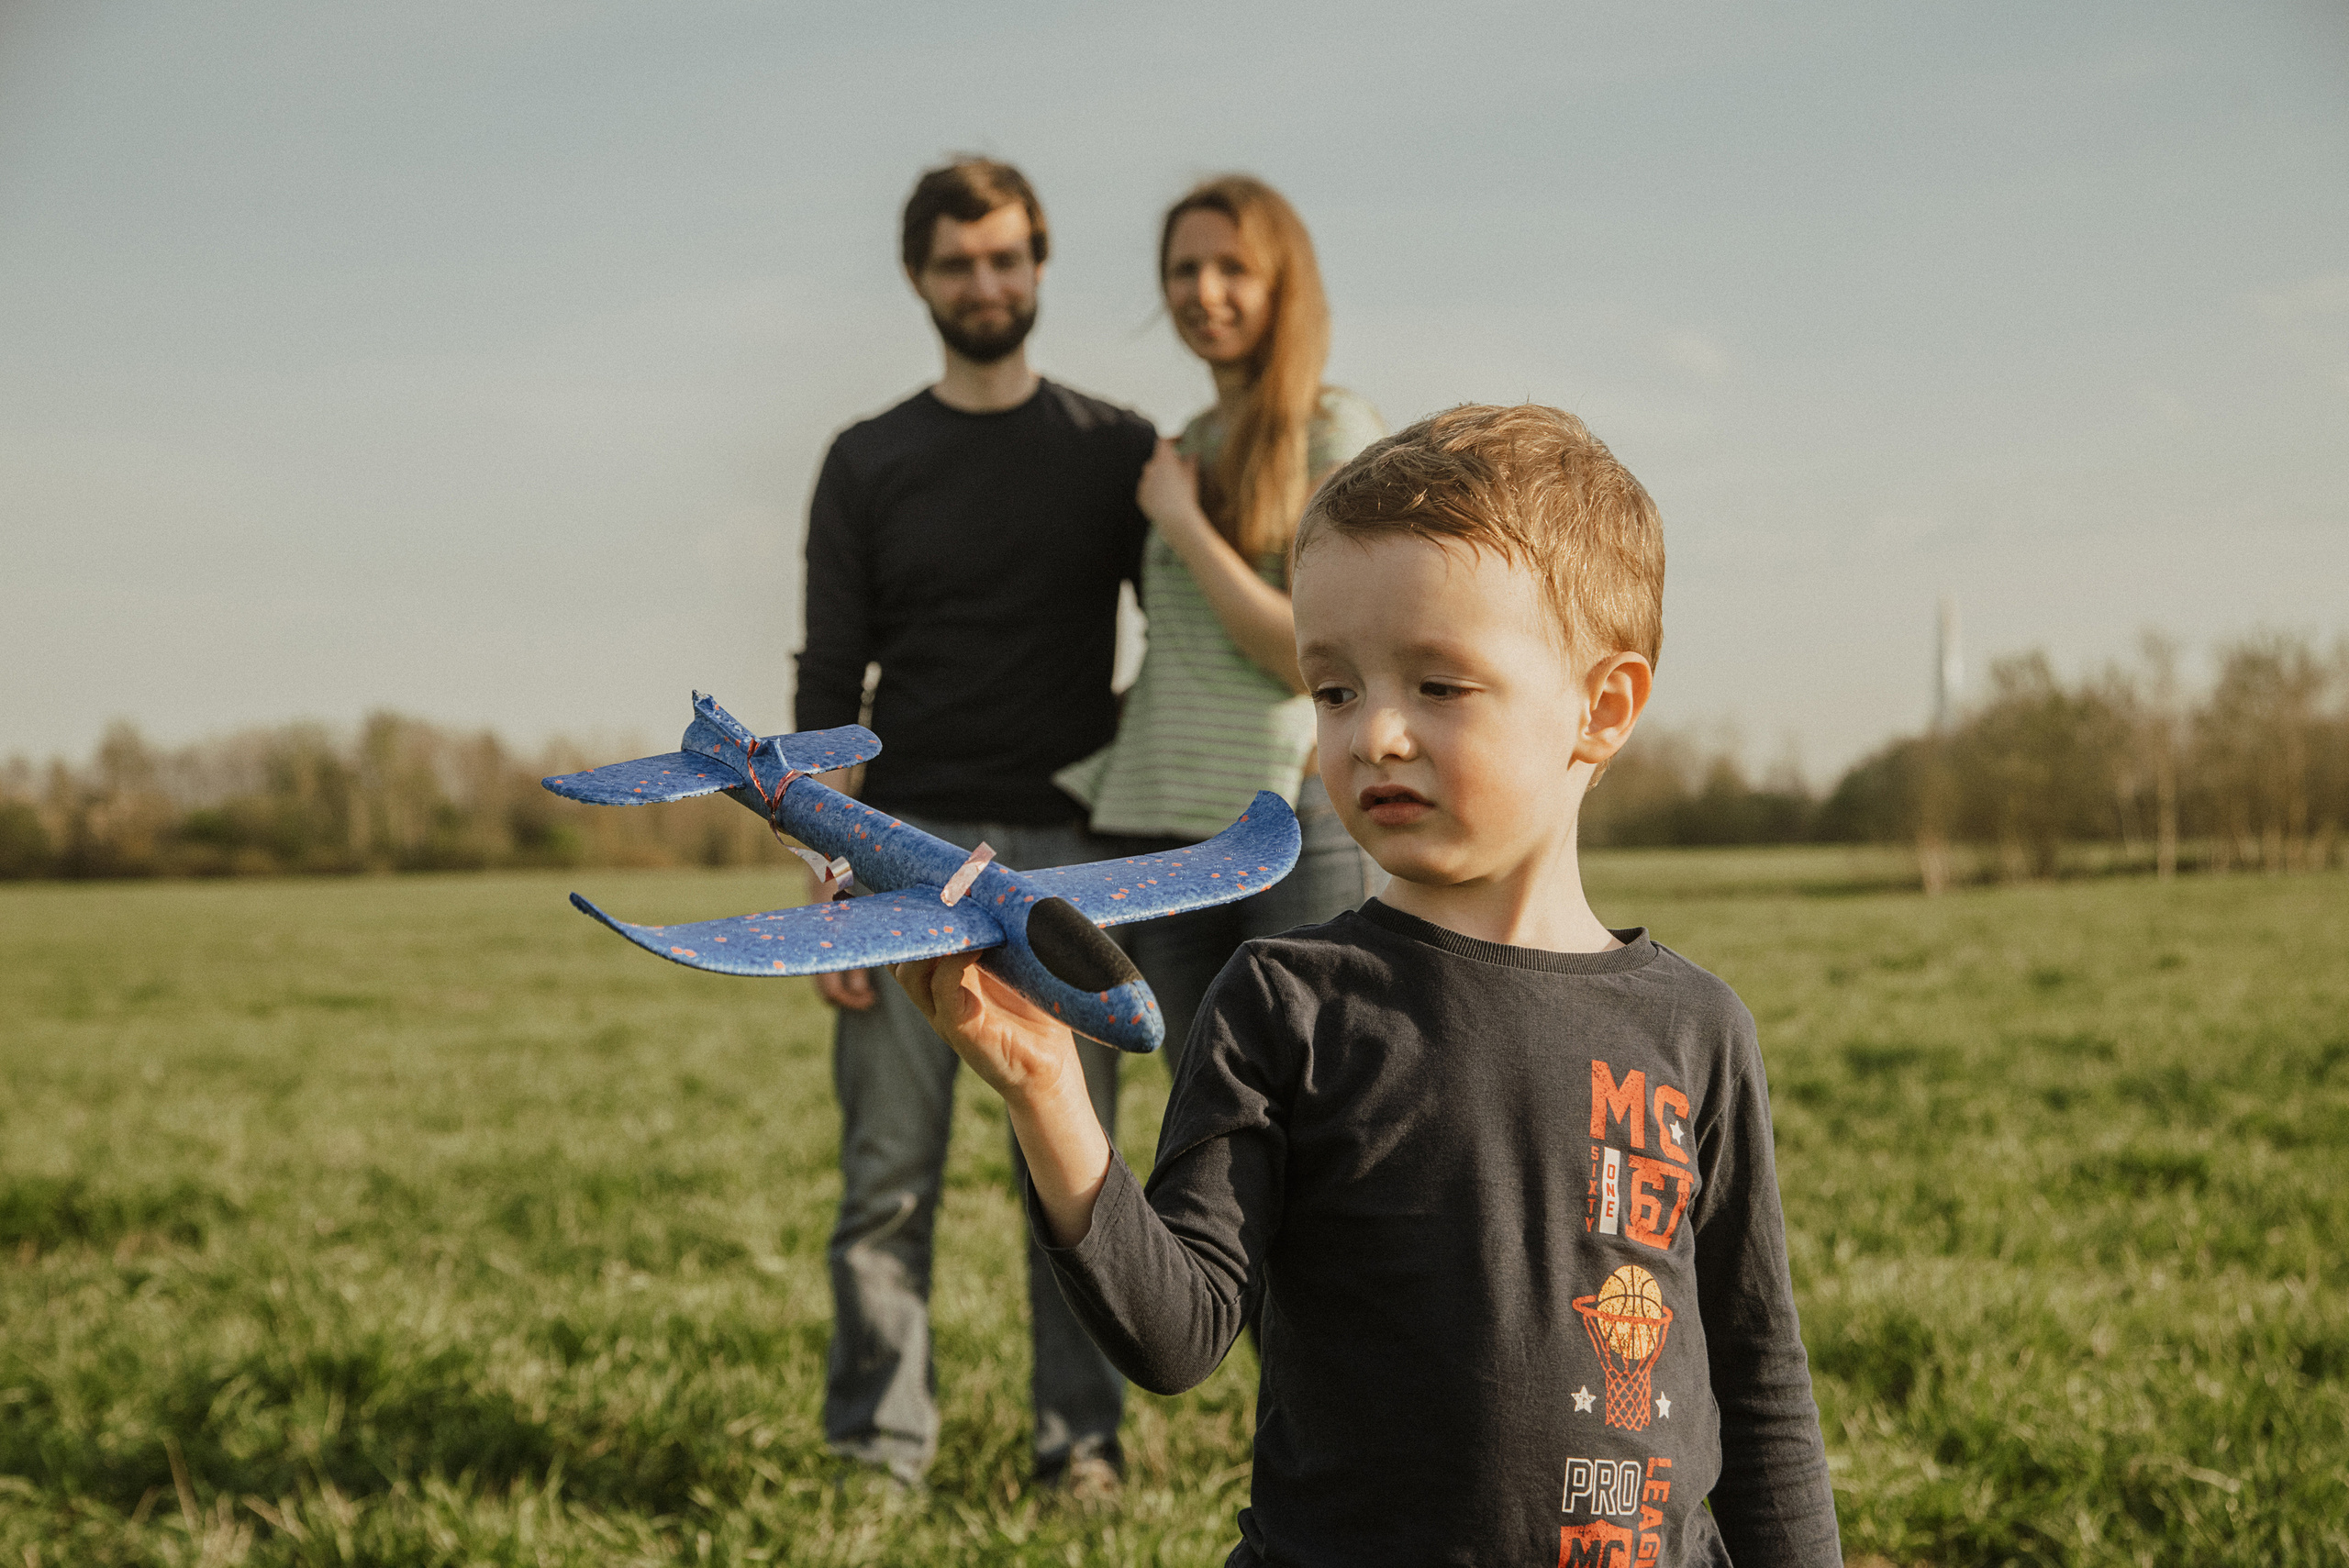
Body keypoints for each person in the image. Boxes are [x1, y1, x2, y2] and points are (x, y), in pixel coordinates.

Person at [896, 406, 1844, 1564]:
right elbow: (1179, 1328)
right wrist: (1050, 1093)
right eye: (1334, 689)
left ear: (1601, 709)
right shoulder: (1287, 1002)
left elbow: (1758, 1381)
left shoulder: (1695, 1027)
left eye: (1439, 685)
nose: (1374, 734)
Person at [792, 157, 1154, 1496]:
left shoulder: (1116, 450)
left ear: (1041, 266)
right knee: (887, 1176)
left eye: (1007, 258)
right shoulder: (865, 460)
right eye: (958, 263)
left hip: (1071, 855)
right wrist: (829, 872)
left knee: (1073, 1170)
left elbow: (1179, 643)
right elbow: (829, 686)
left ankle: (1081, 1449)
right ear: (919, 279)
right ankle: (877, 1456)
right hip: (905, 853)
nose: (985, 284)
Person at [1053, 175, 1386, 1062]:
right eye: (1183, 269)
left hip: (1288, 817)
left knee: (1318, 1092)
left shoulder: (1333, 433)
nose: (1204, 291)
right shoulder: (1186, 443)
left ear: (1284, 283)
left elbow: (1304, 657)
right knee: (1207, 1103)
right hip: (1165, 823)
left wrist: (1183, 522)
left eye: (1232, 267)